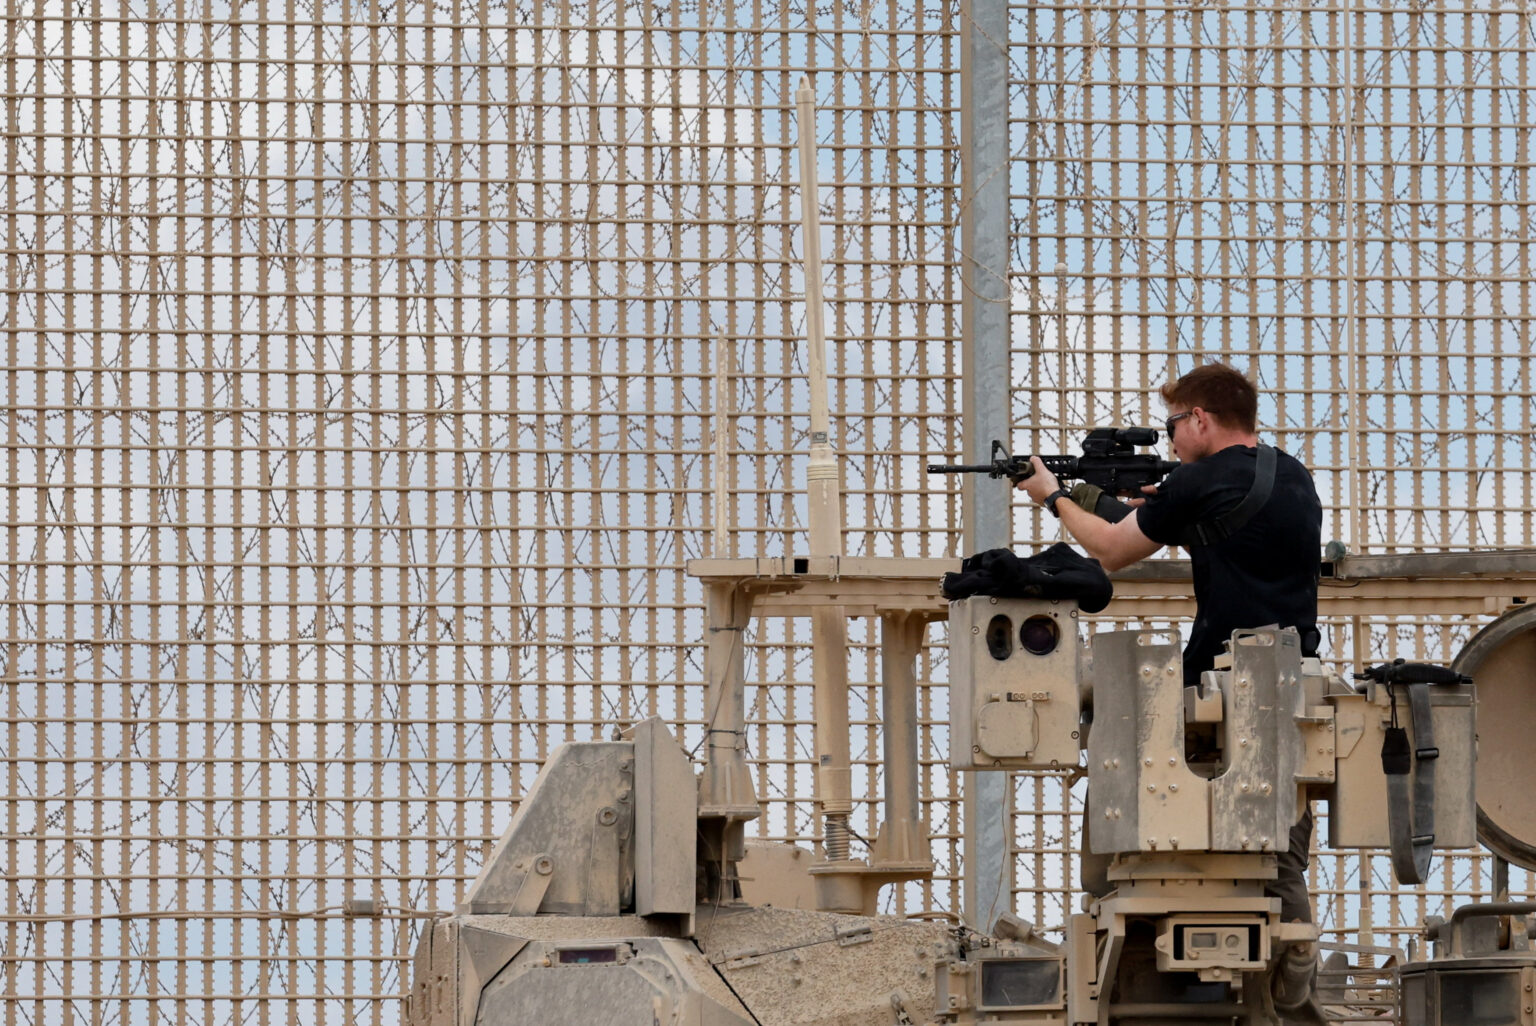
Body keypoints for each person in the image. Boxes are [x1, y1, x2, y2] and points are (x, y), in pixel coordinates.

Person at [1017, 363, 1324, 1017]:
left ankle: (1115, 938)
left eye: (1174, 424)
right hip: (1292, 683)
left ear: (1202, 420)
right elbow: (1221, 528)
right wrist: (1150, 503)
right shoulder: (1292, 473)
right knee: (1281, 851)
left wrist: (1047, 493)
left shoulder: (1197, 481)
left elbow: (1106, 549)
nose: (1171, 437)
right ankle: (1298, 954)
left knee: (1119, 798)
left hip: (1215, 683)